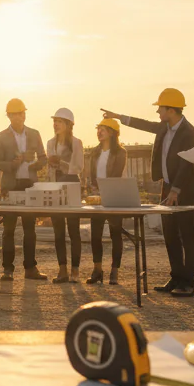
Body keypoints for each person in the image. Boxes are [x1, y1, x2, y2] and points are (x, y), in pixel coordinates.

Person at [102, 88, 194, 297]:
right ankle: (176, 277)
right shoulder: (165, 127)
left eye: (160, 108)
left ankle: (189, 281)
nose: (158, 113)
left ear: (171, 110)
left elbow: (186, 164)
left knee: (187, 235)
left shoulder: (190, 133)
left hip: (184, 189)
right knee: (170, 234)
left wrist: (176, 190)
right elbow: (143, 124)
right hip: (167, 187)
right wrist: (118, 117)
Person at [0, 98, 48, 280]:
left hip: (29, 185)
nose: (19, 117)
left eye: (21, 113)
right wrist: (13, 164)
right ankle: (7, 270)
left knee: (29, 228)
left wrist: (34, 165)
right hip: (11, 186)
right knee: (8, 229)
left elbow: (43, 158)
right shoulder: (0, 137)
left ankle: (30, 268)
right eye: (15, 114)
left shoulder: (34, 134)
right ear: (9, 116)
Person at [84, 118, 128, 285]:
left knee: (115, 234)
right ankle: (97, 270)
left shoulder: (120, 153)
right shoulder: (94, 152)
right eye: (98, 129)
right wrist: (92, 188)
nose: (99, 132)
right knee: (95, 235)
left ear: (112, 132)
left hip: (114, 197)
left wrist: (103, 189)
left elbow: (115, 175)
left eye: (103, 129)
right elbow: (91, 175)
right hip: (97, 199)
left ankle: (114, 271)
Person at [46, 108, 86, 283]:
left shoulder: (76, 143)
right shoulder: (50, 143)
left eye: (59, 121)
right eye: (54, 121)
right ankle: (62, 270)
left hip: (71, 187)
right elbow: (49, 169)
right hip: (55, 187)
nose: (55, 124)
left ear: (68, 125)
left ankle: (75, 270)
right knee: (58, 231)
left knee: (73, 230)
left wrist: (61, 163)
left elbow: (78, 167)